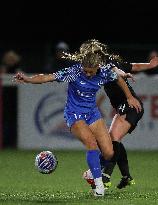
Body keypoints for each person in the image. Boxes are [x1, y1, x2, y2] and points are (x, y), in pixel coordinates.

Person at [13, 46, 141, 197]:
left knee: (108, 153)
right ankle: (99, 186)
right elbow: (47, 77)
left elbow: (118, 78)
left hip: (92, 113)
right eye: (85, 70)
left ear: (97, 67)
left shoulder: (104, 72)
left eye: (90, 72)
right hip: (74, 114)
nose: (87, 74)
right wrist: (28, 79)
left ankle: (90, 174)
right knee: (92, 144)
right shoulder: (73, 72)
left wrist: (130, 97)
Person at [80, 39, 158, 190]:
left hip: (130, 105)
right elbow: (134, 66)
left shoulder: (106, 65)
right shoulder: (106, 63)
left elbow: (117, 72)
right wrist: (149, 65)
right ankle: (126, 176)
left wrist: (126, 77)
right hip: (124, 106)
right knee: (115, 139)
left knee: (113, 139)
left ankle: (106, 176)